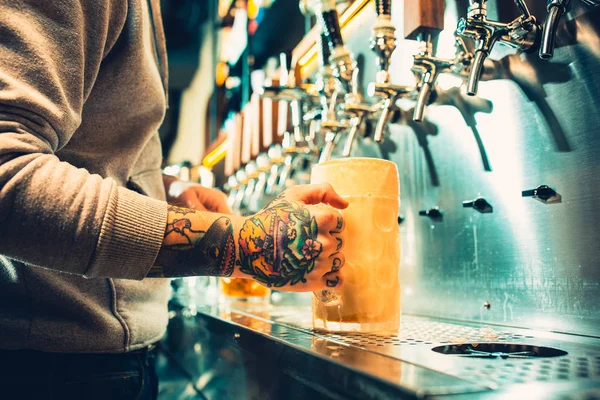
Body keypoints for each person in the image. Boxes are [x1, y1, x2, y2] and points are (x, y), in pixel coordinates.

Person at [0, 1, 346, 399]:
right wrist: (245, 244)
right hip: (48, 372)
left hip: (87, 363)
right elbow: (7, 172)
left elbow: (80, 153)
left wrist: (162, 188)